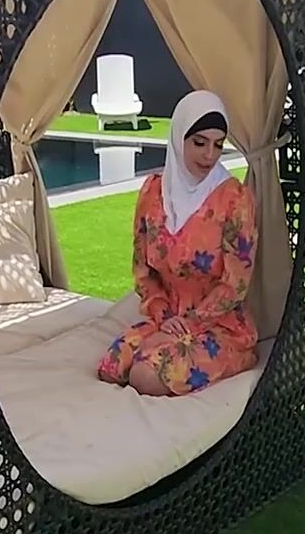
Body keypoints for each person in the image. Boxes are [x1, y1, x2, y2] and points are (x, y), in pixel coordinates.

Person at [97, 89, 259, 396]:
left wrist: (189, 324)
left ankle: (236, 357)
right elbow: (143, 271)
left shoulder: (235, 200)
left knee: (146, 376)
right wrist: (163, 314)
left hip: (218, 325)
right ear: (178, 137)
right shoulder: (152, 192)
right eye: (199, 142)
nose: (209, 155)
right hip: (167, 316)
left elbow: (235, 284)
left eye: (218, 144)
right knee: (112, 366)